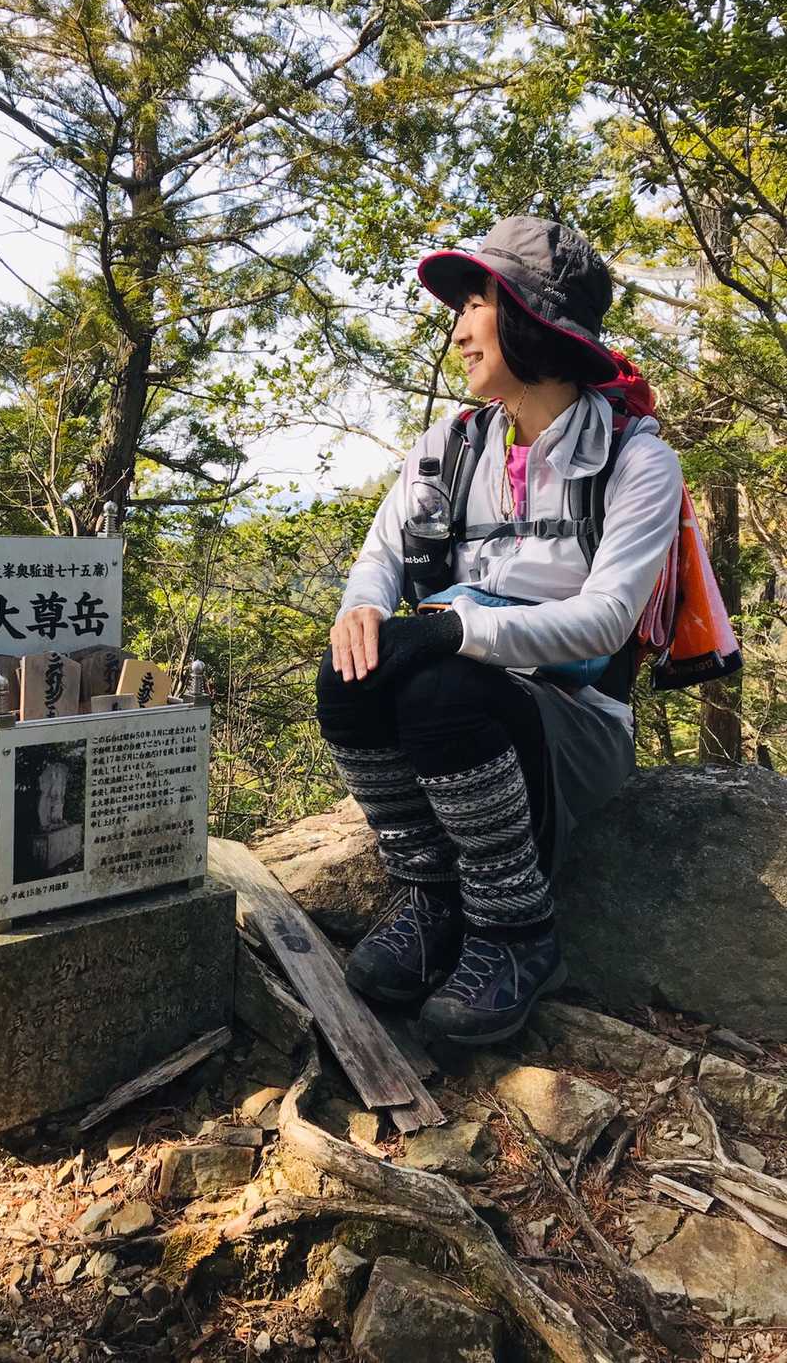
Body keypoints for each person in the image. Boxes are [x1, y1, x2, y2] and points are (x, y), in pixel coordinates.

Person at [315, 215, 683, 1046]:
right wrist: (363, 612)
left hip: (575, 722)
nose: (457, 333)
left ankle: (516, 930)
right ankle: (436, 899)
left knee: (444, 686)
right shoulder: (448, 448)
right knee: (349, 673)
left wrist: (454, 632)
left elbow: (606, 618)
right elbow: (378, 559)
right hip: (470, 703)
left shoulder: (635, 459)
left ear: (531, 316)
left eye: (474, 305)